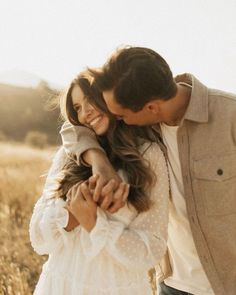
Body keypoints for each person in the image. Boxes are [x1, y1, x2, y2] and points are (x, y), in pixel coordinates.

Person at [60, 47, 236, 295]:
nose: (117, 120)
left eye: (120, 116)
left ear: (151, 108)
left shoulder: (230, 116)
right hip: (172, 284)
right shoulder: (140, 113)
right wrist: (99, 161)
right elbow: (74, 129)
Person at [29, 71, 169, 295]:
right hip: (60, 284)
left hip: (116, 287)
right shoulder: (69, 154)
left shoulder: (148, 154)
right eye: (77, 108)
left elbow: (151, 249)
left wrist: (96, 224)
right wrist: (71, 216)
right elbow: (38, 238)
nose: (86, 112)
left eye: (90, 99)